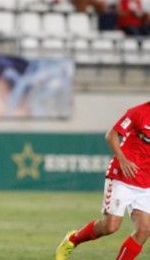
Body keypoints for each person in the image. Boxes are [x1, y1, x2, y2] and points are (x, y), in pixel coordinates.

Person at [56, 101, 150, 260]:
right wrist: (122, 159)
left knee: (145, 229)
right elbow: (111, 135)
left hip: (146, 183)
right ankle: (73, 239)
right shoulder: (138, 112)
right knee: (110, 226)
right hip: (122, 176)